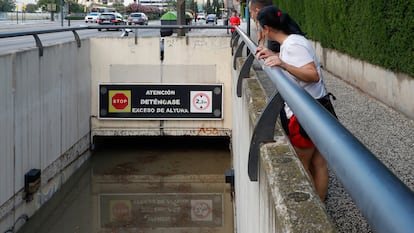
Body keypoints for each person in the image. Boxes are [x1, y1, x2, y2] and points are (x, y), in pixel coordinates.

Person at [255, 6, 337, 201]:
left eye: (259, 27)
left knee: (302, 165)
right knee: (319, 163)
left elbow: (312, 75)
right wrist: (274, 55)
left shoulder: (292, 45)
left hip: (304, 116)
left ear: (267, 28)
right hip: (317, 109)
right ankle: (321, 204)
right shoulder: (293, 42)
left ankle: (314, 211)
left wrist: (282, 63)